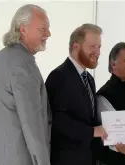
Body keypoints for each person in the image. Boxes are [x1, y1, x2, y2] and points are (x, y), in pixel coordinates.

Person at [0, 4, 51, 165]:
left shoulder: (1, 58)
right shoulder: (22, 65)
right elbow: (32, 125)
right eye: (42, 29)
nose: (48, 34)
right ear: (23, 29)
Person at [45, 23, 107, 165]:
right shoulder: (58, 76)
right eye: (92, 46)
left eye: (99, 47)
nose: (97, 52)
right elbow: (56, 121)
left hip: (87, 157)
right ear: (76, 46)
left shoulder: (89, 79)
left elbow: (89, 118)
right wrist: (92, 132)